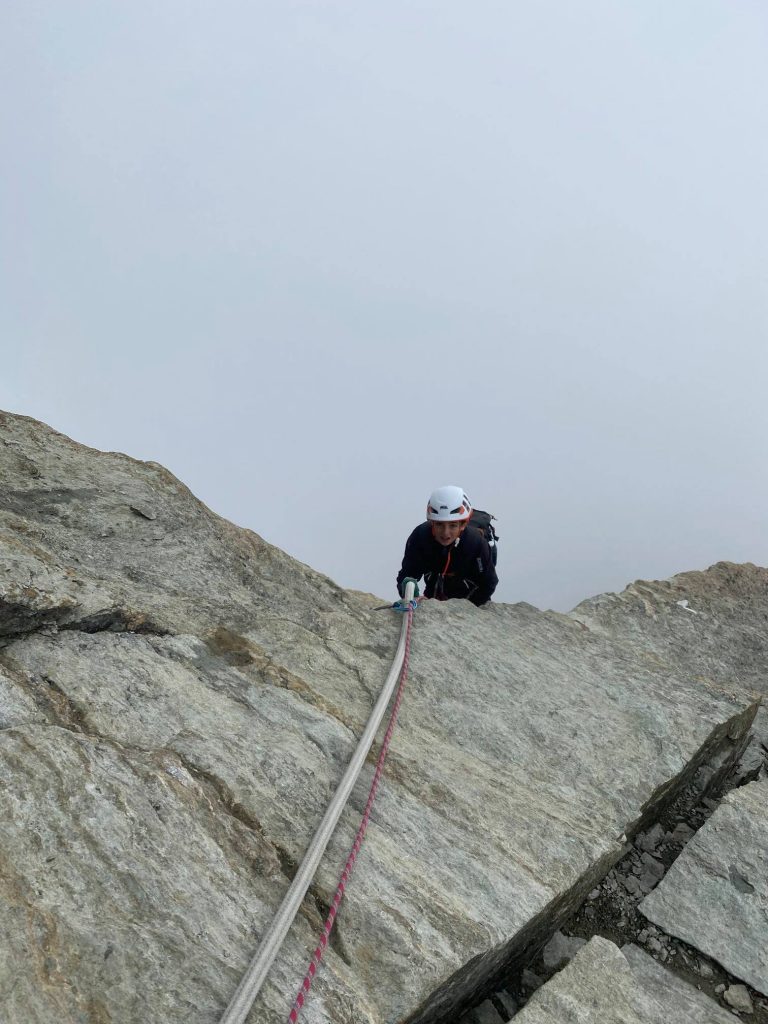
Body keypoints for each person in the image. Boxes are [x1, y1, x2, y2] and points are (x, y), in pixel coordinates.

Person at [397, 485, 498, 606]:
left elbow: (488, 583)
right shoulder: (421, 537)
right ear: (432, 523)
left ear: (463, 524)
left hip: (471, 598)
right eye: (439, 525)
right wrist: (408, 591)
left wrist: (467, 610)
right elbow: (407, 575)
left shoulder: (476, 543)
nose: (445, 533)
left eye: (453, 525)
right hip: (434, 593)